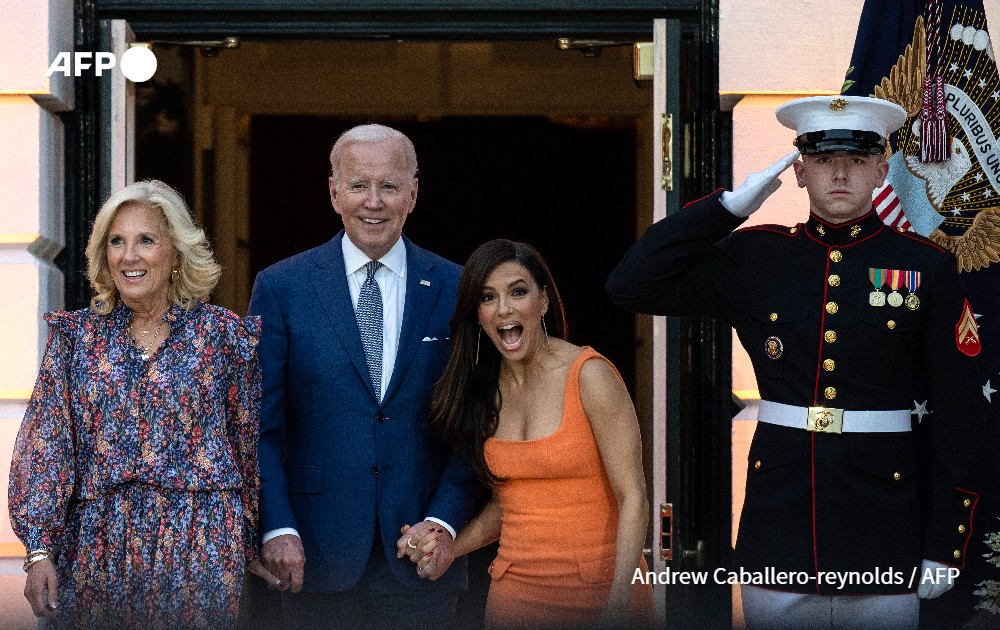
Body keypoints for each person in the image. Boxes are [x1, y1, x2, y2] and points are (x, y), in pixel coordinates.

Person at [605, 95, 986, 629]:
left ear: (881, 169)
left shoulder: (924, 266)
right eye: (825, 159)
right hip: (780, 528)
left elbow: (962, 418)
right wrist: (729, 208)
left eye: (856, 160)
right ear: (800, 170)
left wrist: (947, 542)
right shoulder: (756, 256)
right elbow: (631, 284)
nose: (840, 173)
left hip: (882, 527)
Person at [247, 124, 483, 630]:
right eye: (358, 185)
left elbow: (474, 422)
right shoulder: (282, 287)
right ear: (334, 192)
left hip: (423, 561)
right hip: (312, 557)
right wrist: (277, 527)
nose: (373, 202)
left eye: (390, 186)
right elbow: (259, 427)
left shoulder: (455, 286)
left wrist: (443, 522)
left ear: (413, 193)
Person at [8, 179, 261, 629]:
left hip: (196, 544)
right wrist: (38, 550)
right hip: (95, 545)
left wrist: (254, 539)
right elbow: (45, 447)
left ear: (176, 251)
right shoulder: (76, 339)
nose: (129, 256)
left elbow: (249, 442)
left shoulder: (221, 336)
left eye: (146, 240)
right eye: (117, 241)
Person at [401, 238, 654, 629]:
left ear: (544, 302)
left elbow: (633, 495)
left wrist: (620, 604)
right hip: (514, 597)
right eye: (488, 297)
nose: (503, 308)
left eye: (517, 292)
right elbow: (508, 507)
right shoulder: (483, 391)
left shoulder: (590, 376)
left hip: (603, 595)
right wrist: (450, 549)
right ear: (478, 315)